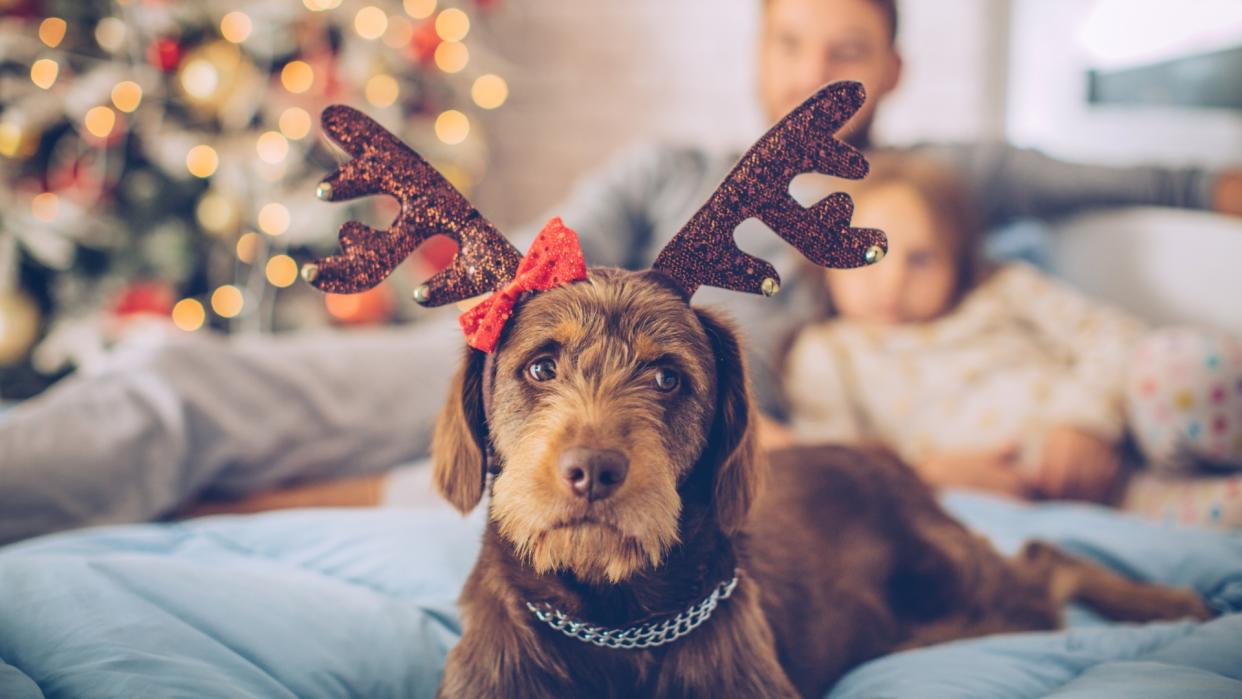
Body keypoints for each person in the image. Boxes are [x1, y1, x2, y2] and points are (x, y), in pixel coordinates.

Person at [2, 0, 1239, 545]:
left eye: (846, 49)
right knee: (196, 390)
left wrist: (1210, 186)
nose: (813, 69)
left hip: (676, 440)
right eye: (791, 39)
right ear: (759, 47)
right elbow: (534, 266)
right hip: (527, 374)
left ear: (893, 70)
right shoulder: (670, 164)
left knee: (268, 467)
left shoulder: (918, 195)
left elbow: (1105, 175)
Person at [781, 152, 1242, 527]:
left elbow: (1116, 336)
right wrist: (927, 475)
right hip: (1069, 505)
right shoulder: (826, 353)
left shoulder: (1001, 290)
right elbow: (837, 467)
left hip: (1127, 429)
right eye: (865, 254)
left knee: (1188, 366)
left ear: (956, 261)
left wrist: (1085, 421)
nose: (891, 283)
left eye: (920, 259)